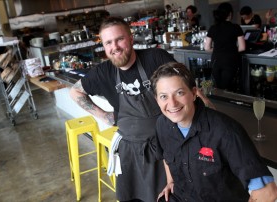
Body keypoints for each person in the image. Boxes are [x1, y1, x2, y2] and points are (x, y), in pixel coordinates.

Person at [69, 16, 213, 202]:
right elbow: (75, 92)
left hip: (167, 148)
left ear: (130, 38)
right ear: (104, 47)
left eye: (119, 39)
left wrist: (209, 113)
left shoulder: (155, 58)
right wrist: (104, 116)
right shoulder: (103, 72)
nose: (115, 47)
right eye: (108, 42)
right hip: (130, 153)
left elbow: (186, 86)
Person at [150, 62, 277, 202]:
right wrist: (171, 182)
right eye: (164, 96)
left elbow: (267, 193)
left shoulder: (225, 131)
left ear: (193, 93)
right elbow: (166, 157)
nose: (172, 103)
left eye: (179, 93)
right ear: (157, 100)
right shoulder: (162, 124)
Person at [204, 2, 246, 92]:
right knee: (228, 88)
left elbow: (207, 48)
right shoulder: (236, 27)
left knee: (218, 88)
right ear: (230, 14)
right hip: (230, 61)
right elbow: (242, 47)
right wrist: (230, 49)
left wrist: (219, 50)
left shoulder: (213, 28)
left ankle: (219, 105)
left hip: (216, 61)